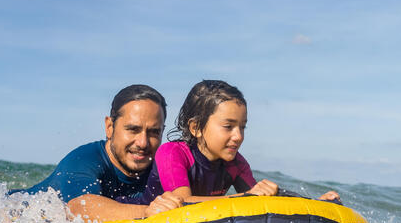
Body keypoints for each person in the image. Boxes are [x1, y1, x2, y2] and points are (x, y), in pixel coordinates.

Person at [142, 80, 339, 204]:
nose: (238, 136)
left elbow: (261, 198)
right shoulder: (172, 153)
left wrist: (315, 203)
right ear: (196, 128)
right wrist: (244, 198)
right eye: (228, 127)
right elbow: (182, 201)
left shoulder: (236, 163)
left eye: (242, 127)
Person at [10, 85, 183, 222]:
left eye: (153, 132)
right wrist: (148, 212)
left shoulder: (162, 166)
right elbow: (80, 207)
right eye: (133, 129)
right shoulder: (83, 161)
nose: (143, 142)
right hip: (13, 213)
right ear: (109, 127)